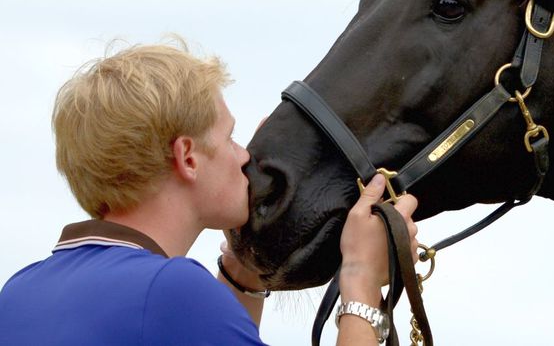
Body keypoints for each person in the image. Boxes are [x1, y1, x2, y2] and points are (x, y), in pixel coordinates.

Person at [0, 42, 418, 345]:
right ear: (187, 157)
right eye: (230, 137)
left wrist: (243, 272)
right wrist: (362, 281)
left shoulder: (21, 291)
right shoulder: (171, 291)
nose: (243, 157)